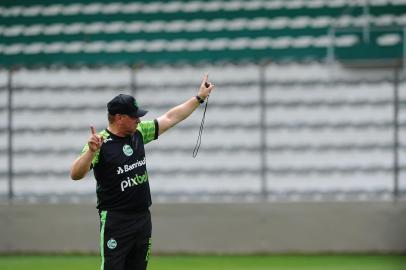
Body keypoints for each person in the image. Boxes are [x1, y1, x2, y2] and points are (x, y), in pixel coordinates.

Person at [70, 74, 215, 270]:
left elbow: (170, 117)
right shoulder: (100, 142)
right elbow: (76, 174)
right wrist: (91, 152)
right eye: (134, 116)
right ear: (119, 118)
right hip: (115, 220)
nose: (139, 119)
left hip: (142, 218)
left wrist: (199, 98)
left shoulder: (138, 133)